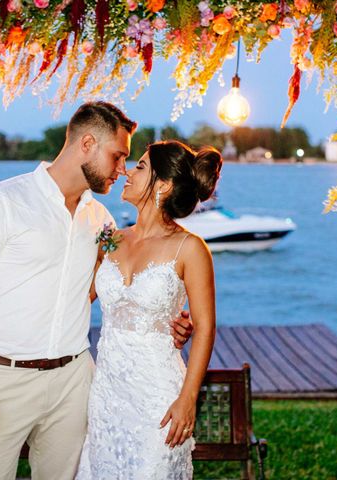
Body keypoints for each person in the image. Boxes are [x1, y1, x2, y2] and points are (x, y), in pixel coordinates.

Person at [0, 101, 193, 480]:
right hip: (0, 380)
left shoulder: (101, 221)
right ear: (87, 143)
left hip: (74, 383)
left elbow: (111, 291)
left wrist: (167, 321)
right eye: (118, 156)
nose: (122, 169)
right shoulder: (1, 202)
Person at [76, 141, 220, 479]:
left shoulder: (190, 248)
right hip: (107, 394)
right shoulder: (110, 240)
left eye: (140, 166)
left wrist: (187, 399)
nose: (127, 171)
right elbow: (79, 299)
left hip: (158, 393)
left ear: (164, 184)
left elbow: (206, 328)